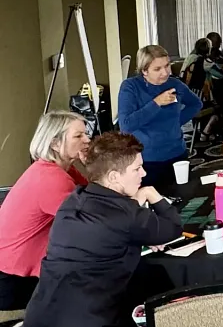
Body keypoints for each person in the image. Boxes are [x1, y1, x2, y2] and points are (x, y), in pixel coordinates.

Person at [23, 132, 182, 327]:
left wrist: (139, 231)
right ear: (114, 177)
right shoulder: (126, 215)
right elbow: (174, 227)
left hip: (39, 315)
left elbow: (106, 235)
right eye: (137, 169)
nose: (144, 173)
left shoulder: (73, 200)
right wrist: (150, 193)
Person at [0, 111, 89, 311]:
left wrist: (91, 165)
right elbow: (90, 223)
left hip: (24, 269)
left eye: (85, 134)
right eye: (78, 136)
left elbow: (95, 197)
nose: (87, 140)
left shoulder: (61, 169)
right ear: (55, 144)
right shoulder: (51, 178)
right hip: (13, 281)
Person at [118, 45, 202, 187]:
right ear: (144, 70)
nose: (165, 72)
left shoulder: (175, 84)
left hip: (177, 154)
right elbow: (126, 125)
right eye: (157, 69)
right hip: (146, 160)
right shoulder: (130, 87)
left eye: (167, 65)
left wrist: (175, 123)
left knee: (183, 199)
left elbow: (196, 104)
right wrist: (156, 103)